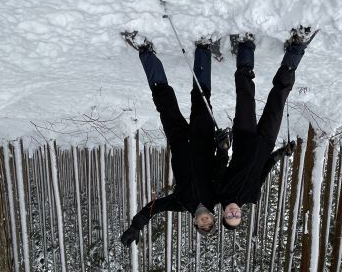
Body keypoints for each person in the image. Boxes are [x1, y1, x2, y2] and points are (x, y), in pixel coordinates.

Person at [120, 31, 221, 246]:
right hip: (204, 139)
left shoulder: (181, 203)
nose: (205, 222)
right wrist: (223, 147)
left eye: (202, 226)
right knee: (201, 95)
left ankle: (146, 52)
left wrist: (136, 225)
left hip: (179, 141)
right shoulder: (217, 196)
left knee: (163, 100)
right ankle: (203, 49)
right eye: (209, 224)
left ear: (194, 223)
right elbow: (223, 168)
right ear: (213, 218)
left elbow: (153, 208)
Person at [217, 27, 317, 229]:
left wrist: (222, 145)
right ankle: (295, 51)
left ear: (223, 213)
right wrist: (282, 152)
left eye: (230, 216)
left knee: (245, 94)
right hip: (266, 140)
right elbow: (266, 167)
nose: (234, 213)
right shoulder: (252, 196)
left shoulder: (220, 191)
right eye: (237, 216)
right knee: (279, 97)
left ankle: (246, 45)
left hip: (244, 136)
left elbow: (220, 163)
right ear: (241, 215)